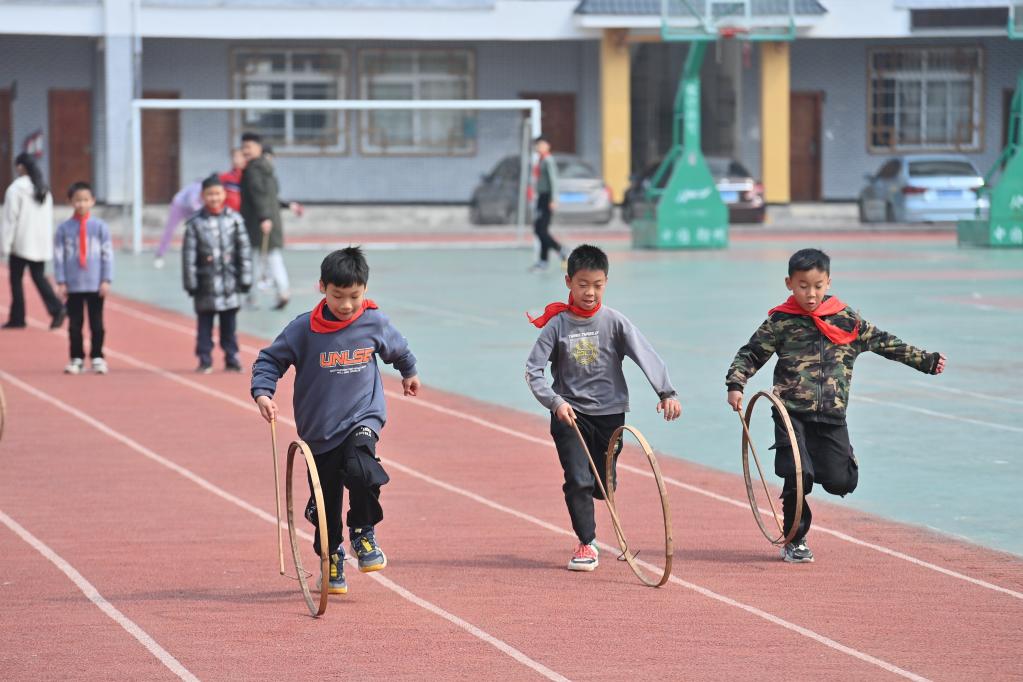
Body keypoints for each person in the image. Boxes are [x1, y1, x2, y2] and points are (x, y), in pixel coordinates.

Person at [726, 248, 946, 564]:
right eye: (803, 286)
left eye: (817, 285)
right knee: (798, 473)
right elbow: (750, 353)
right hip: (790, 412)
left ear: (828, 282)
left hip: (831, 415)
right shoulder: (780, 321)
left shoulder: (847, 321)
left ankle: (841, 462)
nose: (810, 293)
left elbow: (886, 343)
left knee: (840, 481)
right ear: (789, 283)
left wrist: (926, 361)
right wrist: (736, 383)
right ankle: (795, 539)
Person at [251, 247, 421, 595]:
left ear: (365, 290)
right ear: (322, 288)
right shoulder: (303, 329)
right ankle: (331, 557)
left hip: (363, 416)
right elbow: (270, 361)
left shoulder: (373, 321)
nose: (346, 305)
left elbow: (398, 349)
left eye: (355, 296)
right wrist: (263, 393)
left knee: (362, 469)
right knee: (327, 504)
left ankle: (362, 532)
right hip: (319, 428)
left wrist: (409, 372)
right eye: (338, 296)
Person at [525, 244, 682, 571]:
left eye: (597, 285)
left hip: (610, 414)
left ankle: (605, 480)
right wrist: (555, 402)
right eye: (583, 285)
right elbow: (533, 371)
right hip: (570, 415)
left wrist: (666, 392)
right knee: (578, 478)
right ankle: (586, 542)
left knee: (601, 483)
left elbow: (645, 354)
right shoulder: (557, 326)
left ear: (606, 283)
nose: (590, 292)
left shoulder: (615, 322)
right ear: (568, 282)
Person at [182, 175, 252, 373]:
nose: (214, 198)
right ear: (203, 196)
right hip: (205, 284)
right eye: (209, 194)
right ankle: (205, 358)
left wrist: (245, 278)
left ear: (224, 195)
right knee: (204, 326)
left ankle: (232, 357)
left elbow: (244, 251)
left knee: (229, 324)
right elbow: (189, 255)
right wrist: (191, 282)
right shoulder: (195, 223)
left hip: (230, 282)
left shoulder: (235, 220)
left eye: (217, 193)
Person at [53, 182, 114, 375]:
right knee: (75, 324)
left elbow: (107, 255)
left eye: (85, 200)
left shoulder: (100, 228)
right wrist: (61, 281)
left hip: (95, 284)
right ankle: (76, 357)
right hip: (73, 285)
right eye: (77, 200)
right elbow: (58, 256)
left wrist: (106, 279)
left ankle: (97, 356)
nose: (81, 204)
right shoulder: (63, 229)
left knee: (97, 323)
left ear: (93, 201)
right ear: (70, 201)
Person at [1, 153, 65, 329]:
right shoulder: (43, 189)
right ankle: (56, 308)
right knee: (38, 277)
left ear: (20, 167)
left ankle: (18, 317)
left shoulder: (16, 189)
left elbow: (10, 219)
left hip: (20, 243)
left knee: (16, 279)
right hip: (39, 243)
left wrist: (4, 245)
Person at [240, 132, 290, 310]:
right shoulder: (268, 168)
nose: (245, 150)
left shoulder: (253, 169)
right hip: (270, 219)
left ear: (258, 147)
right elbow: (272, 194)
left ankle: (252, 296)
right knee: (273, 257)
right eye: (243, 147)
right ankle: (283, 291)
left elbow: (258, 194)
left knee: (253, 259)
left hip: (258, 221)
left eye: (249, 146)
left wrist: (263, 217)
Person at [528, 137, 567, 273]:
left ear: (547, 145)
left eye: (541, 144)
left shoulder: (548, 160)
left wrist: (553, 199)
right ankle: (544, 260)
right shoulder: (540, 160)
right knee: (539, 229)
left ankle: (559, 250)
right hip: (541, 197)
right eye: (537, 145)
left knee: (541, 230)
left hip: (547, 198)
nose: (538, 147)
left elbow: (553, 180)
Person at [154, 180, 203, 269]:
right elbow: (192, 202)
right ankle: (159, 255)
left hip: (191, 209)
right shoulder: (198, 187)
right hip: (179, 206)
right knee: (170, 230)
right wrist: (201, 210)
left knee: (198, 229)